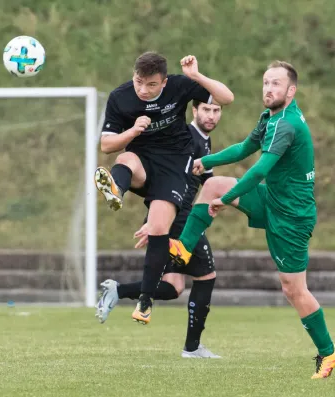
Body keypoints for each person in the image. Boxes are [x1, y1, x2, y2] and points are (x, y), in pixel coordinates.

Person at [166, 61, 335, 378]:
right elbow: (244, 148)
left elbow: (260, 169)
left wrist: (225, 201)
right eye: (265, 82)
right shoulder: (271, 117)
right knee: (213, 183)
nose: (268, 88)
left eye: (276, 83)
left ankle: (330, 352)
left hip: (292, 216)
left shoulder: (286, 125)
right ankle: (183, 249)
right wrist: (206, 160)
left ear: (291, 91)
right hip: (272, 200)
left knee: (293, 291)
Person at [94, 51, 234, 324]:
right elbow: (107, 145)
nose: (143, 90)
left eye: (151, 85)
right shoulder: (120, 97)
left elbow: (227, 98)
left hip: (173, 165)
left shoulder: (181, 86)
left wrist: (195, 76)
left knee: (159, 229)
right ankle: (115, 190)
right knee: (124, 159)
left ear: (164, 82)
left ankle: (145, 301)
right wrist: (133, 131)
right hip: (142, 160)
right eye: (138, 82)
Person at [96, 100, 222, 358]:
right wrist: (154, 218)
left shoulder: (204, 142)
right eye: (206, 110)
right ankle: (193, 348)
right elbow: (165, 178)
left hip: (179, 214)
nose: (211, 115)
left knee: (174, 286)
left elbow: (208, 182)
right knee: (206, 277)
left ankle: (118, 290)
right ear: (194, 110)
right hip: (182, 217)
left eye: (216, 110)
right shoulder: (185, 137)